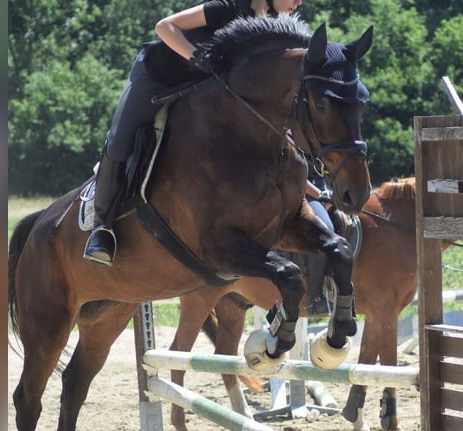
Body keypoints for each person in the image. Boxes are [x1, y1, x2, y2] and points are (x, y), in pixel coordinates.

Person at [84, 0, 304, 266]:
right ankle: (102, 227)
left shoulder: (270, 23)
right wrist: (197, 56)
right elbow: (165, 27)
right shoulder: (227, 7)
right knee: (120, 144)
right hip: (157, 79)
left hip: (198, 93)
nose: (298, 2)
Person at [304, 165, 334, 315]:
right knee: (324, 230)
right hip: (300, 187)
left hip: (323, 186)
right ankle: (314, 297)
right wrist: (321, 195)